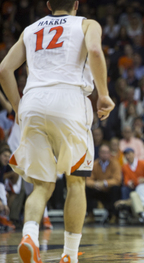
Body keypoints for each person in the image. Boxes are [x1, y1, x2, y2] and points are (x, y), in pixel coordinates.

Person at [0, 1, 115, 262]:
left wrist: (18, 106)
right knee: (75, 182)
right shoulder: (87, 24)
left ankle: (29, 234)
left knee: (41, 184)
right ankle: (69, 255)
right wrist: (104, 95)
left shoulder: (30, 29)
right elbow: (95, 51)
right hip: (70, 100)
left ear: (49, 4)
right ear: (76, 3)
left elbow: (4, 69)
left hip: (33, 101)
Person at [85, 144, 121, 224]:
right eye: (103, 152)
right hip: (97, 189)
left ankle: (114, 216)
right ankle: (90, 215)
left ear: (110, 154)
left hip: (109, 189)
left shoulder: (115, 164)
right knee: (87, 189)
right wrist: (95, 184)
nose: (105, 154)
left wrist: (104, 183)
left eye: (106, 152)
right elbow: (88, 180)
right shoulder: (94, 164)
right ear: (99, 153)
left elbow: (117, 180)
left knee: (116, 189)